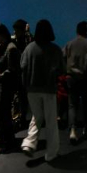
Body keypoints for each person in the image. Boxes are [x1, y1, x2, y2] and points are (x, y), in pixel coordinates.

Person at [20, 20, 65, 161]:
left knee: (37, 116)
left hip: (32, 89)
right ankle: (51, 154)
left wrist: (25, 85)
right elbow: (62, 69)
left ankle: (29, 143)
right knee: (51, 121)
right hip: (49, 89)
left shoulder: (29, 48)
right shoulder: (55, 49)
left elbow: (23, 67)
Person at [63, 21, 87, 144]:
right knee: (86, 104)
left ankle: (73, 131)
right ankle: (86, 127)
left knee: (72, 105)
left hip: (70, 78)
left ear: (77, 31)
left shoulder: (69, 44)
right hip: (85, 78)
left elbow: (62, 57)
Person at [0, 24, 20, 154]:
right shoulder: (0, 47)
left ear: (2, 34)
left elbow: (12, 70)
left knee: (4, 115)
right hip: (0, 85)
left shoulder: (11, 48)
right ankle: (6, 140)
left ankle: (5, 143)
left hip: (7, 86)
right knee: (3, 114)